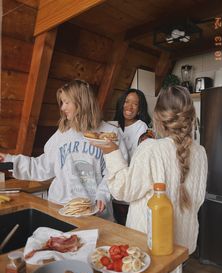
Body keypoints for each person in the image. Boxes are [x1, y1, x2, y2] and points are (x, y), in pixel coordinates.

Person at [92, 85, 208, 254]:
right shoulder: (200, 152)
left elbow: (123, 191)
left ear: (158, 117)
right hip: (182, 245)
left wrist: (110, 152)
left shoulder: (151, 149)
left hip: (148, 245)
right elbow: (197, 199)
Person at [0, 79, 128, 221]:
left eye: (67, 102)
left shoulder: (110, 133)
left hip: (94, 210)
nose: (62, 108)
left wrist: (103, 194)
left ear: (81, 102)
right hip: (60, 208)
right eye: (62, 102)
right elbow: (42, 166)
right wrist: (9, 161)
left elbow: (116, 173)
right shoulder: (62, 134)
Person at [112, 88, 152, 225]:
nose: (129, 107)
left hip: (129, 190)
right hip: (112, 189)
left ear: (140, 109)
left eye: (135, 104)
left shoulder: (141, 127)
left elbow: (140, 161)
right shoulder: (113, 127)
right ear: (121, 103)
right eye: (127, 102)